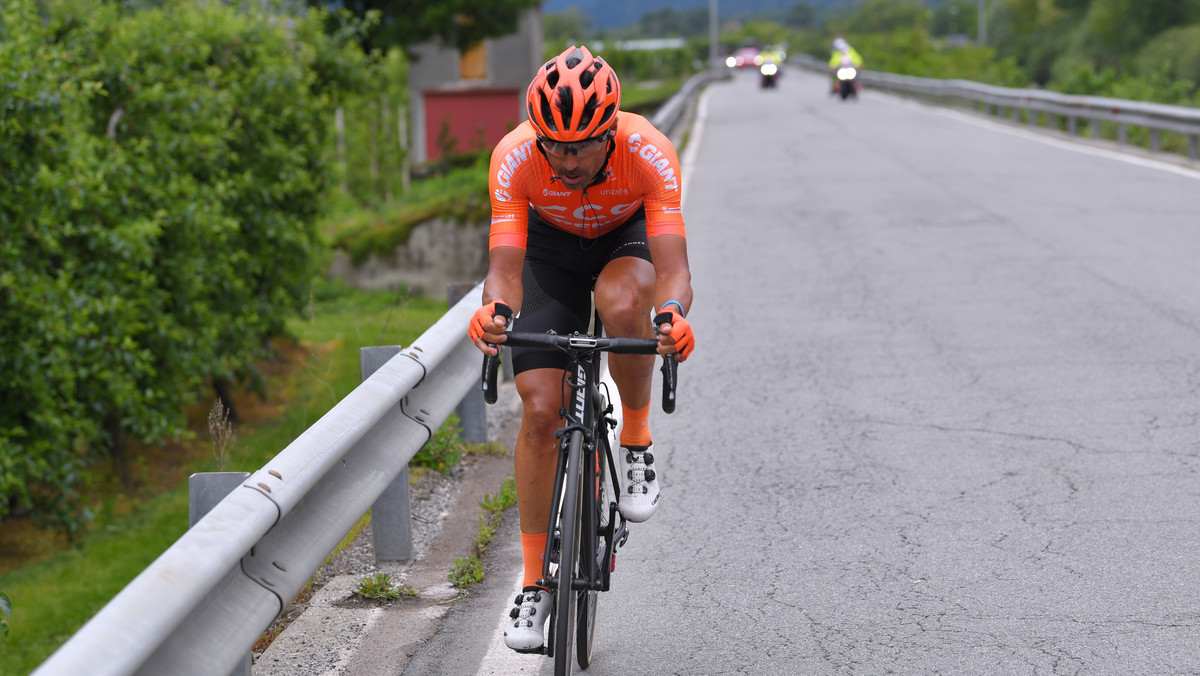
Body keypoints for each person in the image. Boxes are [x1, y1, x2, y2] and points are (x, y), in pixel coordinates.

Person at [467, 45, 695, 653]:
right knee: (541, 410)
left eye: (582, 146)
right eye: (554, 145)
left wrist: (672, 316)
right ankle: (537, 580)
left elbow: (673, 268)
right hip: (550, 252)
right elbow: (504, 266)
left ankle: (638, 439)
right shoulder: (516, 157)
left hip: (626, 242)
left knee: (626, 304)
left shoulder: (648, 150)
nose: (566, 160)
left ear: (610, 132)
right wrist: (494, 313)